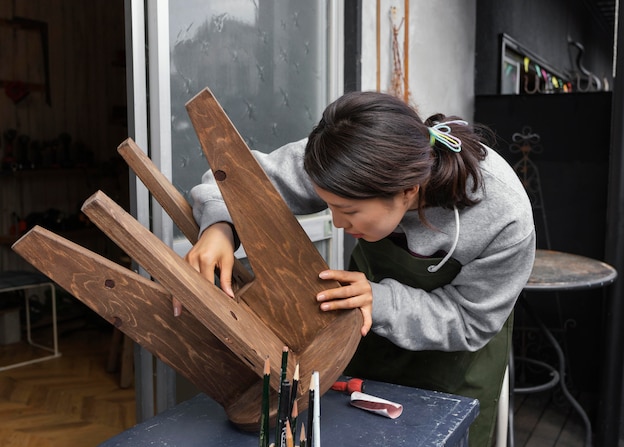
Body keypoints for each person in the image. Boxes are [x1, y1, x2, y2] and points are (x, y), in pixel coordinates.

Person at [184, 91, 536, 446]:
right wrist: (220, 227)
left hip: (456, 358)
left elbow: (469, 320)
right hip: (368, 331)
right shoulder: (343, 158)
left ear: (408, 190)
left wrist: (380, 301)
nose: (337, 223)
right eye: (329, 206)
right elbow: (235, 179)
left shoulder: (504, 216)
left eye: (348, 212)